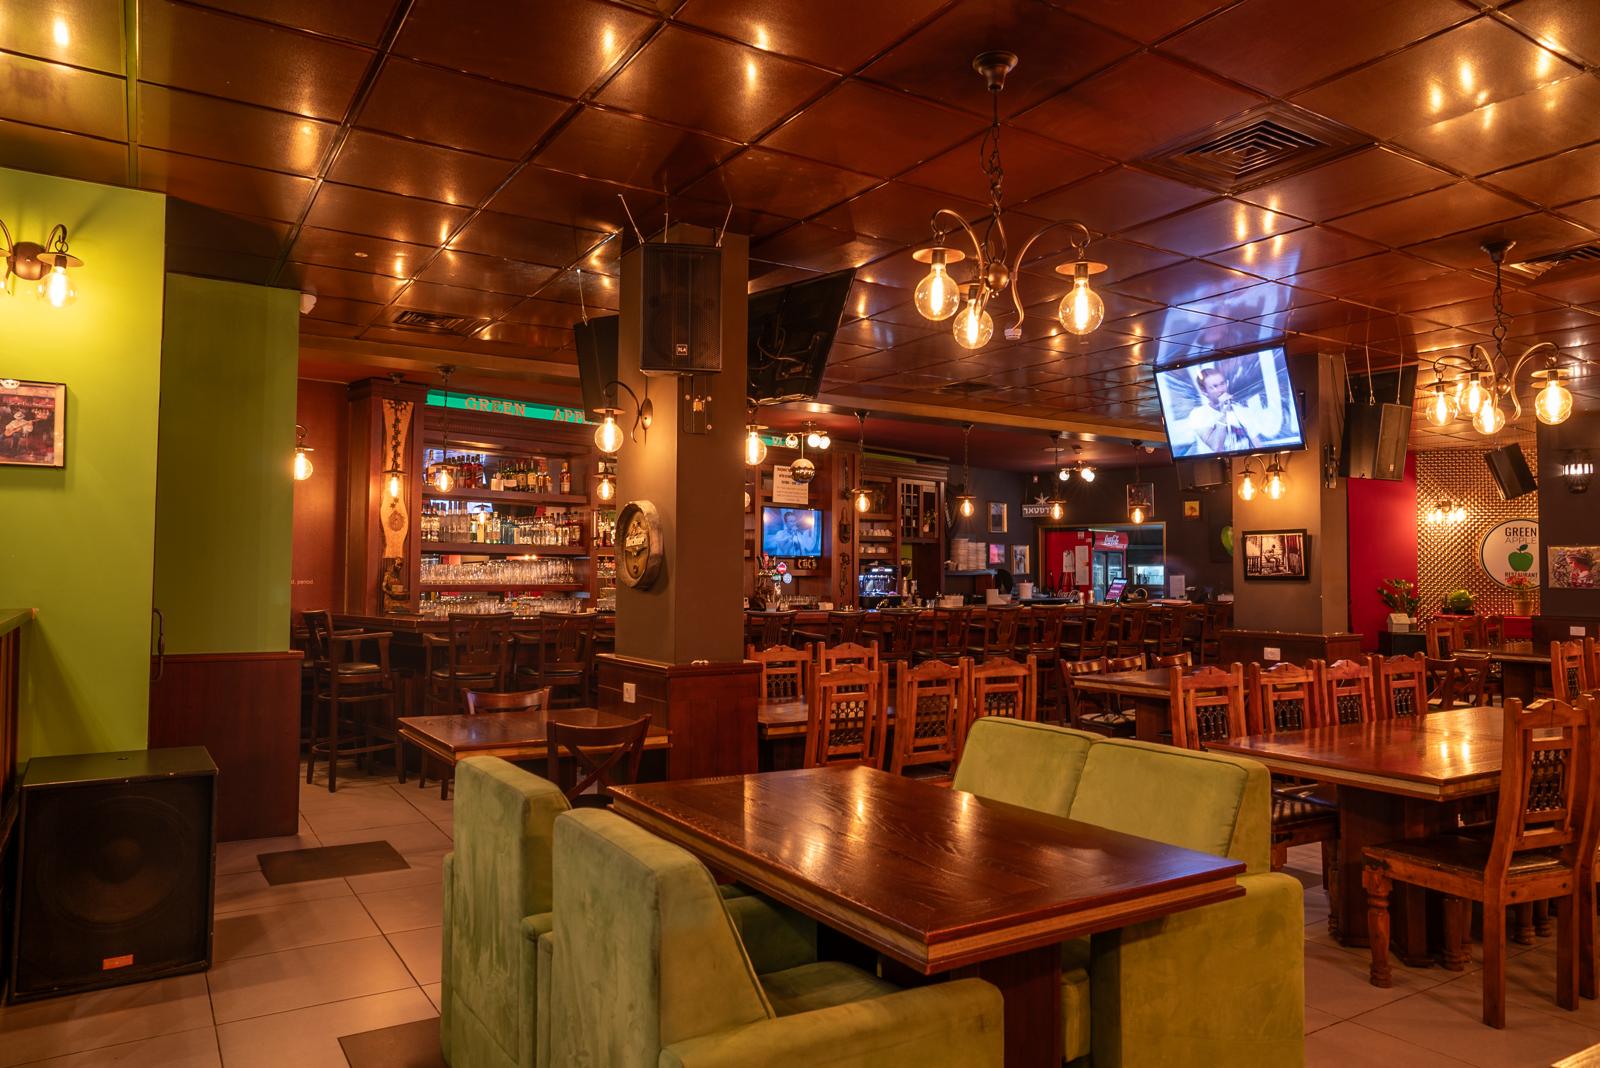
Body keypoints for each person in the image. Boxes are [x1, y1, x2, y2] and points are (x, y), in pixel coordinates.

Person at [1186, 366, 1261, 455]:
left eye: (1222, 384)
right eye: (1215, 386)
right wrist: (1224, 412)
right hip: (1215, 463)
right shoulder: (1198, 414)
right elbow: (1216, 447)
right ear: (1204, 391)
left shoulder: (1241, 411)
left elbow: (1257, 445)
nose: (1221, 390)